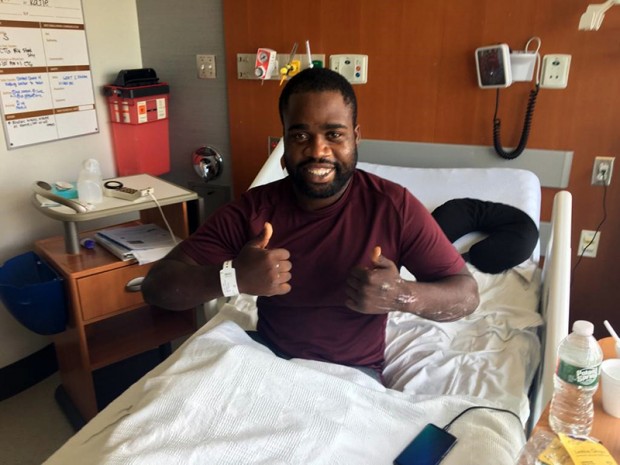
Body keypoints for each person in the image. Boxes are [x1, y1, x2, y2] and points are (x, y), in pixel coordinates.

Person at [142, 67, 479, 380]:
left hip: (354, 375)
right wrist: (234, 277)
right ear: (284, 142)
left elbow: (466, 294)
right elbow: (157, 287)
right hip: (268, 361)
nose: (319, 150)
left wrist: (400, 295)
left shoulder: (393, 208)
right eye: (301, 136)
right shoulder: (255, 209)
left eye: (334, 134)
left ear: (355, 137)